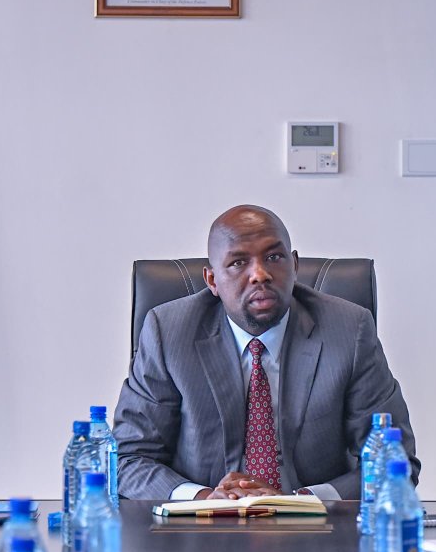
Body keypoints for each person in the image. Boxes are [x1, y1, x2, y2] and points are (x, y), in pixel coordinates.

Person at [113, 205, 416, 501]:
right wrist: (207, 499)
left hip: (315, 530)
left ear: (294, 266)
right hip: (200, 530)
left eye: (273, 257)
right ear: (212, 280)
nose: (259, 274)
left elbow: (395, 461)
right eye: (238, 263)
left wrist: (299, 501)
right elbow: (127, 460)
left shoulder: (349, 330)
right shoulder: (168, 332)